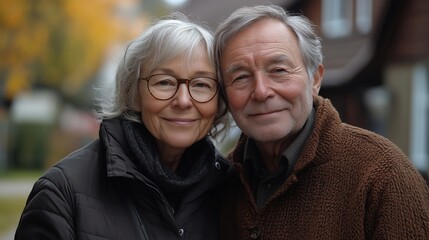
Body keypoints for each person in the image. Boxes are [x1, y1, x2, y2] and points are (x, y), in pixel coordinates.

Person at [214, 4, 429, 239]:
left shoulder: (383, 175)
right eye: (241, 77)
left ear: (315, 79)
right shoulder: (219, 184)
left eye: (278, 70)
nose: (261, 91)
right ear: (224, 94)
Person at [15, 12, 230, 240]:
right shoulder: (61, 192)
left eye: (201, 84)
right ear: (133, 94)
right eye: (164, 82)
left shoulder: (230, 191)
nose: (184, 101)